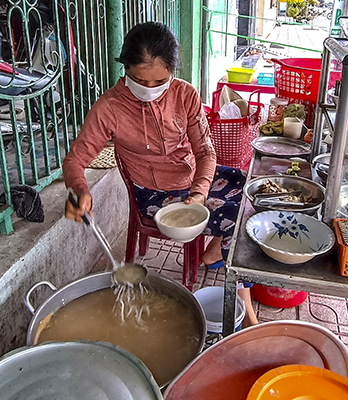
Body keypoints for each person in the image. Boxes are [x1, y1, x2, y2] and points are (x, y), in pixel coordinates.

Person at [62, 21, 258, 327]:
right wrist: (79, 189)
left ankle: (215, 253)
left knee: (252, 192)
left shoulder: (185, 94)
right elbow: (76, 159)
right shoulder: (109, 108)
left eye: (160, 81)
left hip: (191, 181)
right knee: (236, 219)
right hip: (154, 194)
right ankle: (248, 311)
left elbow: (206, 152)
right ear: (126, 69)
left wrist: (198, 194)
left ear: (172, 73)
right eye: (141, 80)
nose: (150, 90)